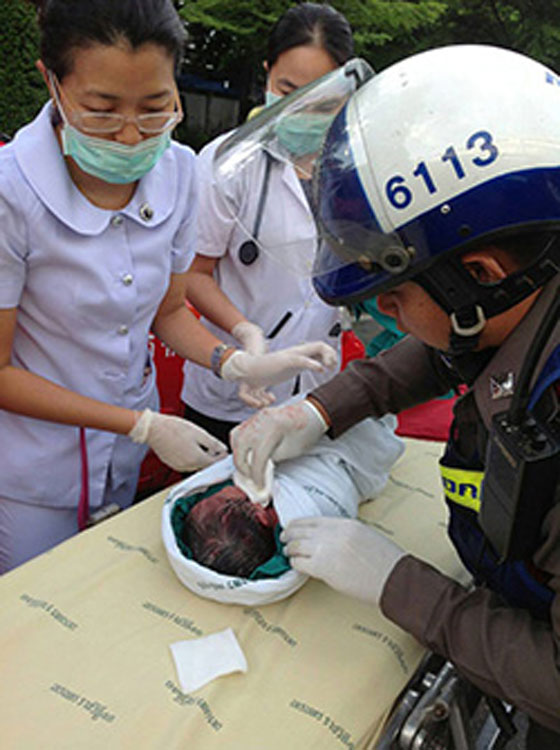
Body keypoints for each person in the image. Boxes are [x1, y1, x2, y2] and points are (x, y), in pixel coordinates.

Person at [229, 46, 560, 747]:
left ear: (479, 274)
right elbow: (454, 344)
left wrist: (402, 587)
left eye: (392, 294)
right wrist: (320, 409)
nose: (382, 313)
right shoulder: (527, 294)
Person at [0, 0, 338, 574]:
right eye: (102, 111)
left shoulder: (178, 171)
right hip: (33, 471)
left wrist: (233, 360)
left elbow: (170, 309)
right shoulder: (12, 193)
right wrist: (142, 425)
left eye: (155, 108)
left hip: (126, 456)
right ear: (52, 82)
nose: (131, 135)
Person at [180, 3, 357, 445]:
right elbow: (194, 274)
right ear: (267, 75)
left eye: (320, 98)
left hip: (317, 392)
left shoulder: (353, 166)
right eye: (287, 89)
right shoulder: (227, 163)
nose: (301, 108)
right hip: (229, 392)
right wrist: (246, 335)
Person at [163, 412, 403, 602]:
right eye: (223, 496)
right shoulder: (306, 510)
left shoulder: (247, 509)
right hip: (340, 468)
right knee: (363, 428)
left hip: (317, 443)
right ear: (259, 512)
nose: (225, 485)